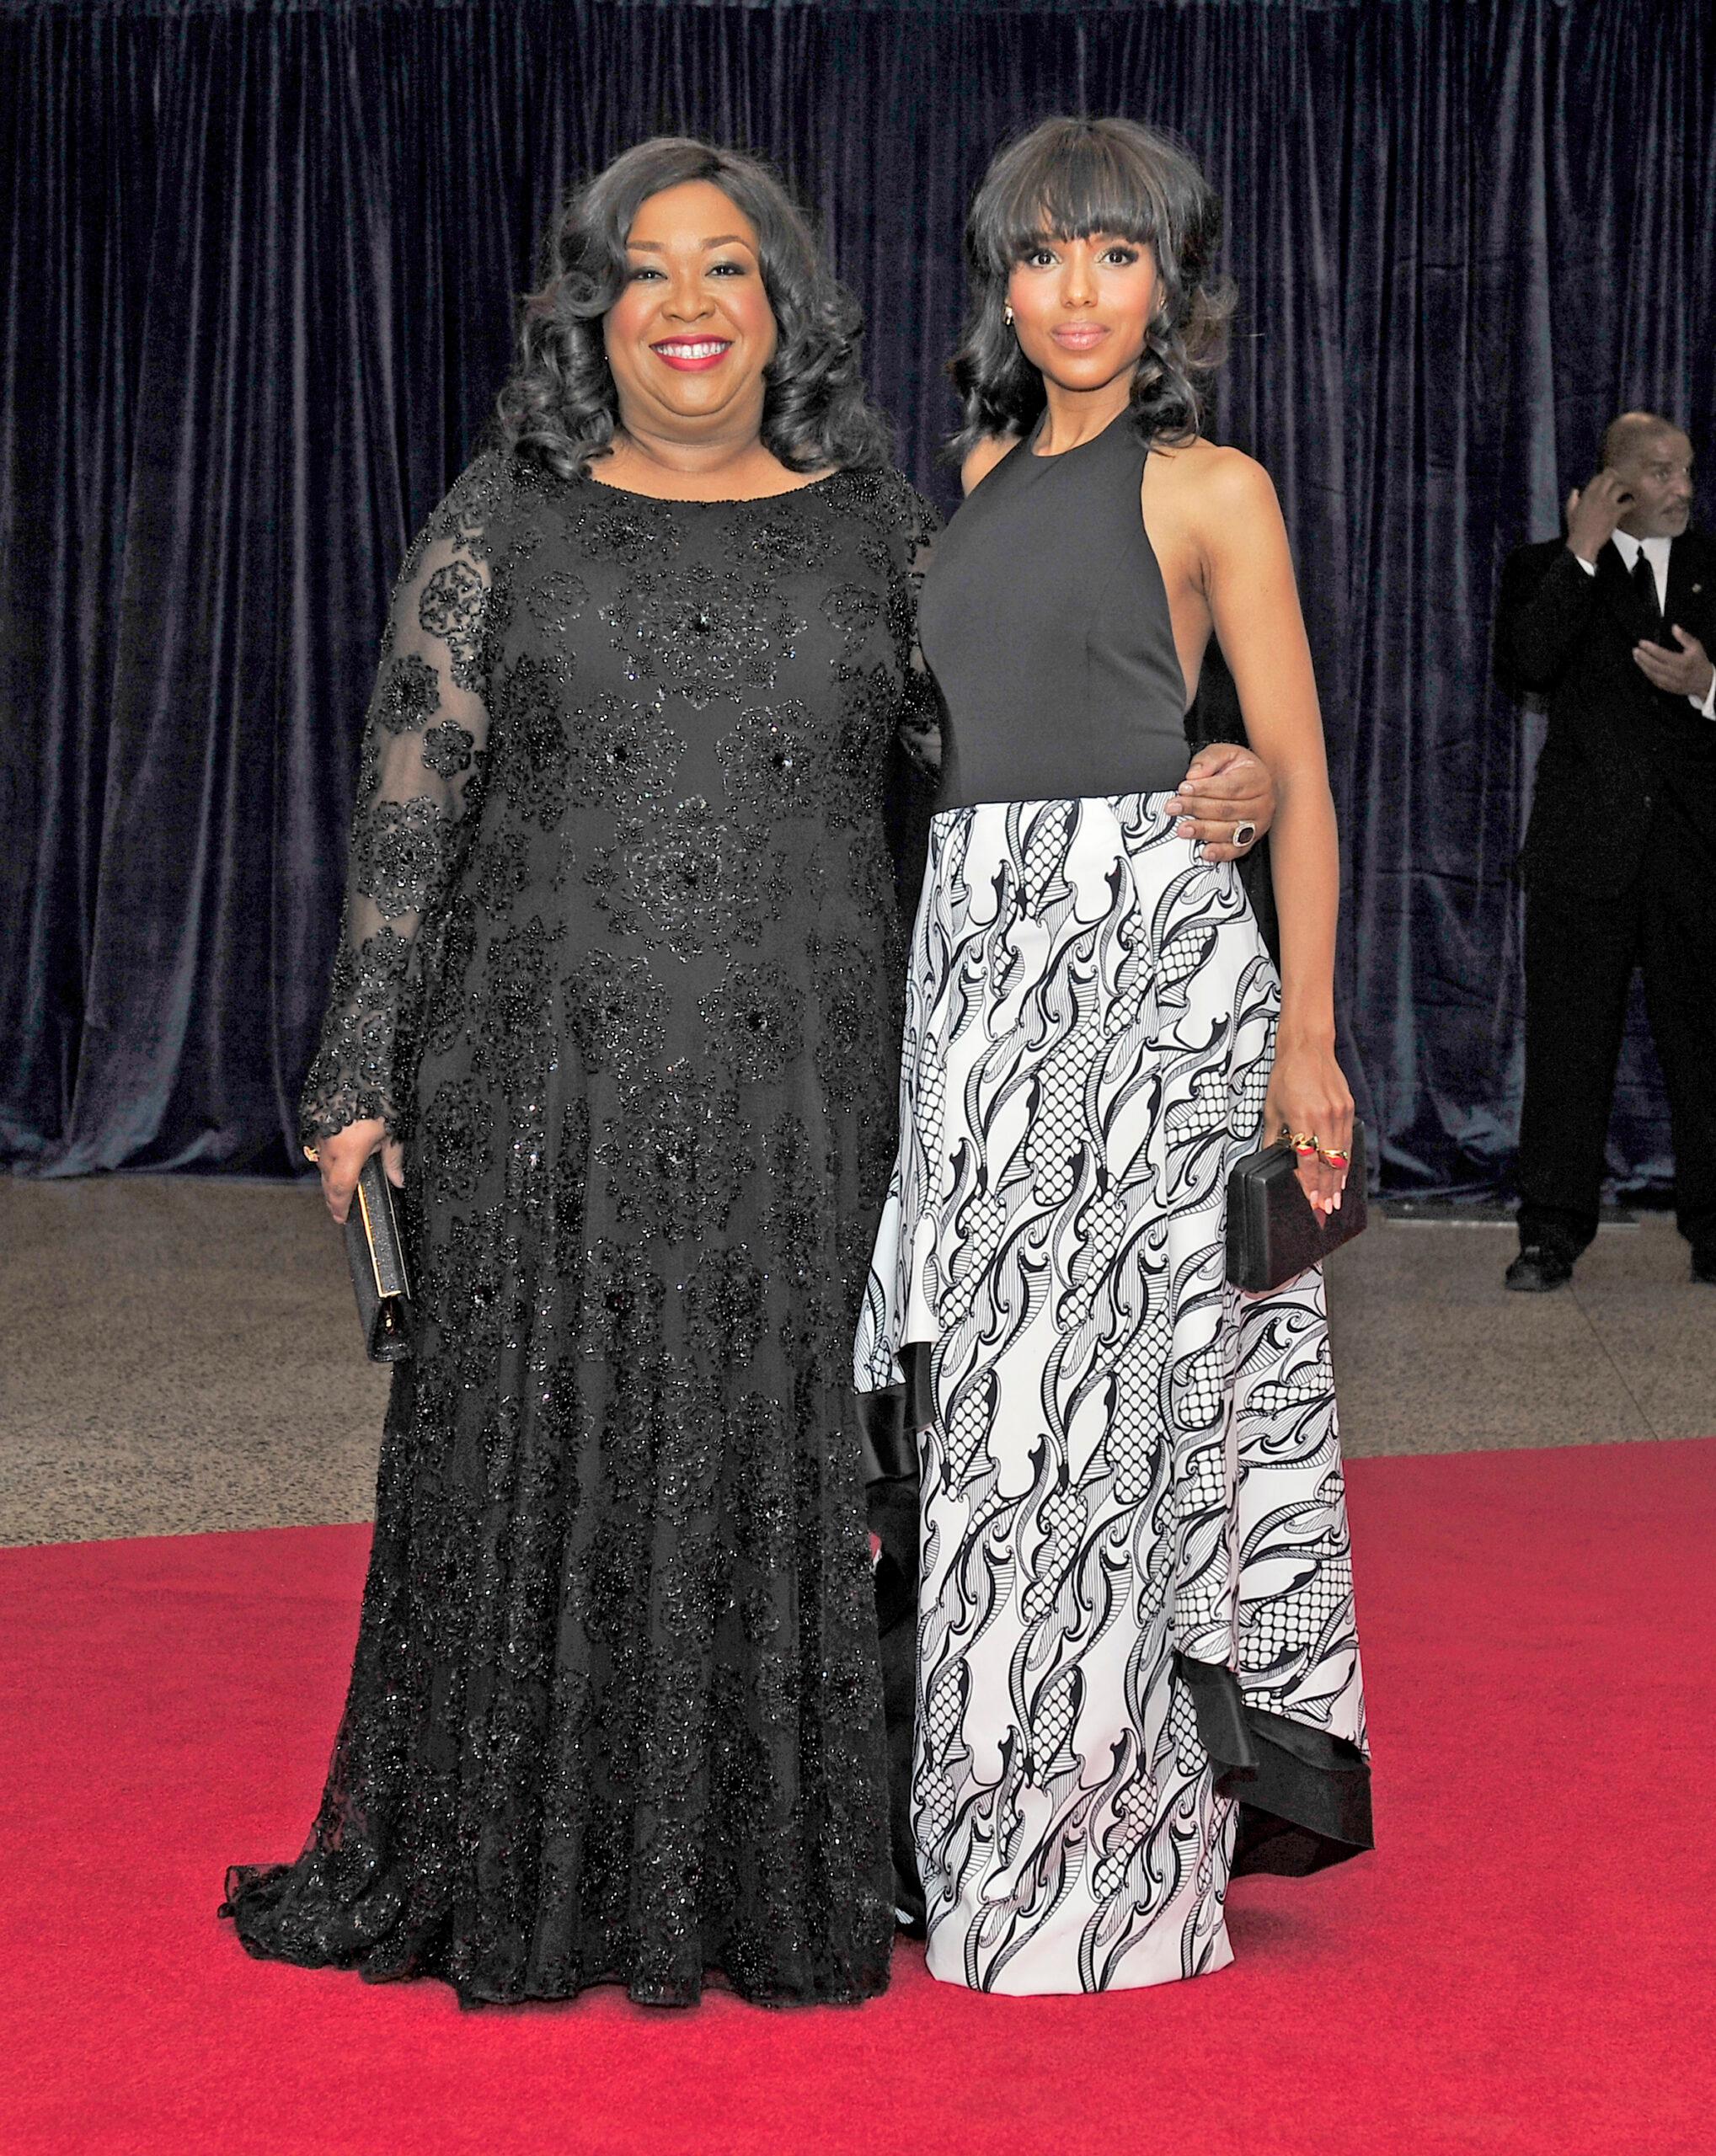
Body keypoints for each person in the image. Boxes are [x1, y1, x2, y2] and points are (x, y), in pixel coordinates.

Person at [222, 135, 1278, 2006]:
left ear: (782, 307)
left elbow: (1012, 753)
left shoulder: (883, 526)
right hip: (538, 1087)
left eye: (727, 267)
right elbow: (412, 797)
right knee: (537, 1459)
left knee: (782, 1471)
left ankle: (784, 1862)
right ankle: (515, 1861)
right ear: (595, 310)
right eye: (648, 269)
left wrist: (1220, 772)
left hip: (812, 1097)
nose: (689, 305)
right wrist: (358, 1068)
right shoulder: (501, 513)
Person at [856, 115, 1372, 1997]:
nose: (1077, 290)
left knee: (1135, 1425)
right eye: (1042, 253)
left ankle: (1137, 1877)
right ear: (999, 283)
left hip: (1153, 983)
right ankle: (984, 1846)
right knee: (998, 1426)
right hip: (975, 988)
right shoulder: (971, 479)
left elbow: (1293, 771)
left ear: (1169, 287)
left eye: (1116, 253)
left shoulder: (1210, 486)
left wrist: (1306, 1037)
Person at [1495, 412, 1716, 1291]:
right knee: (1567, 1051)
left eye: (1687, 470)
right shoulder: (1544, 569)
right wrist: (1581, 553)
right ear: (1612, 483)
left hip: (1695, 854)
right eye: (1660, 472)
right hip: (1583, 852)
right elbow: (1527, 665)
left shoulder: (1711, 569)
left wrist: (1708, 684)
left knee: (1705, 1051)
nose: (1683, 488)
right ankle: (1550, 1233)